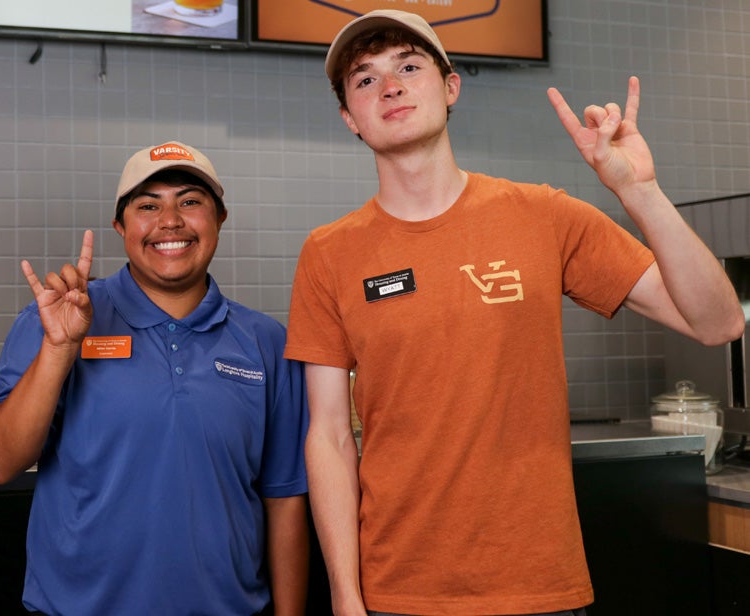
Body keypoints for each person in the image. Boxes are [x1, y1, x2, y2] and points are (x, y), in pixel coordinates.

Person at [284, 9, 744, 616]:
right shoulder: (328, 253)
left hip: (539, 587)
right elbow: (329, 438)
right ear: (350, 117)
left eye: (409, 66)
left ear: (451, 87)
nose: (389, 86)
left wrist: (639, 191)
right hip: (398, 589)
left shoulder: (545, 216)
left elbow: (719, 324)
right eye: (364, 79)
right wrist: (345, 595)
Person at [0, 141, 310, 616]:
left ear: (219, 219)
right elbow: (2, 463)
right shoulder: (58, 318)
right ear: (121, 226)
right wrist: (58, 349)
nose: (170, 220)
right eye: (147, 205)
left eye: (190, 202)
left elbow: (284, 500)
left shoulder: (266, 343)